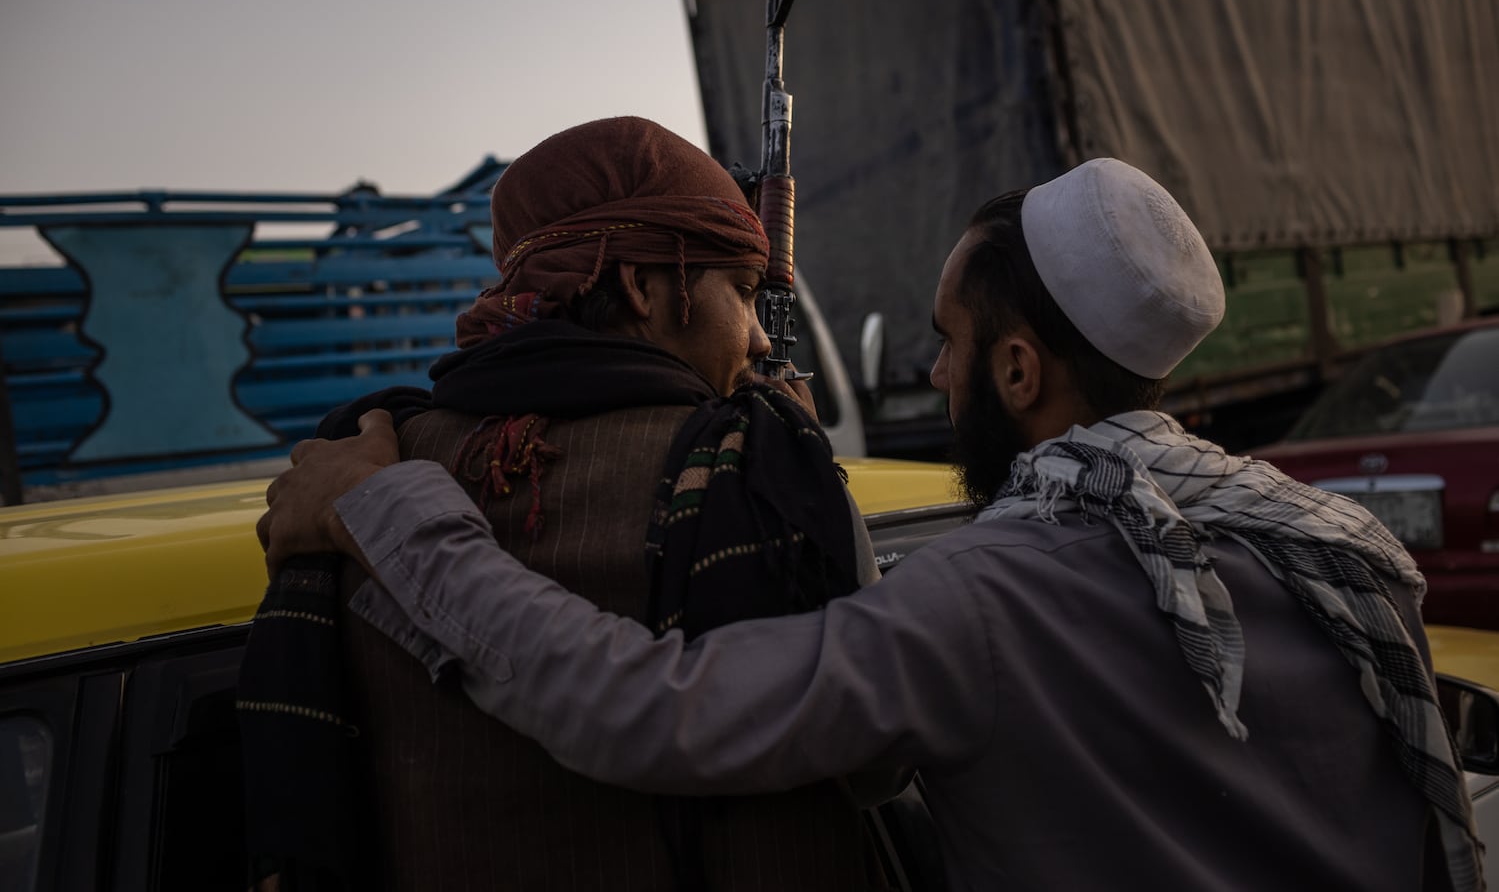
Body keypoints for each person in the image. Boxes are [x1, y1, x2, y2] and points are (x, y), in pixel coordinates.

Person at [260, 158, 1484, 891]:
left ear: (1016, 369)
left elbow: (646, 709)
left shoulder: (984, 601)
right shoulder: (1328, 547)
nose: (935, 382)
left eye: (946, 348)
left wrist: (393, 511)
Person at [238, 116, 892, 891]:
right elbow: (874, 759)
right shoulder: (760, 468)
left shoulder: (362, 459)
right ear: (641, 286)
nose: (755, 338)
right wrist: (803, 472)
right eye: (744, 293)